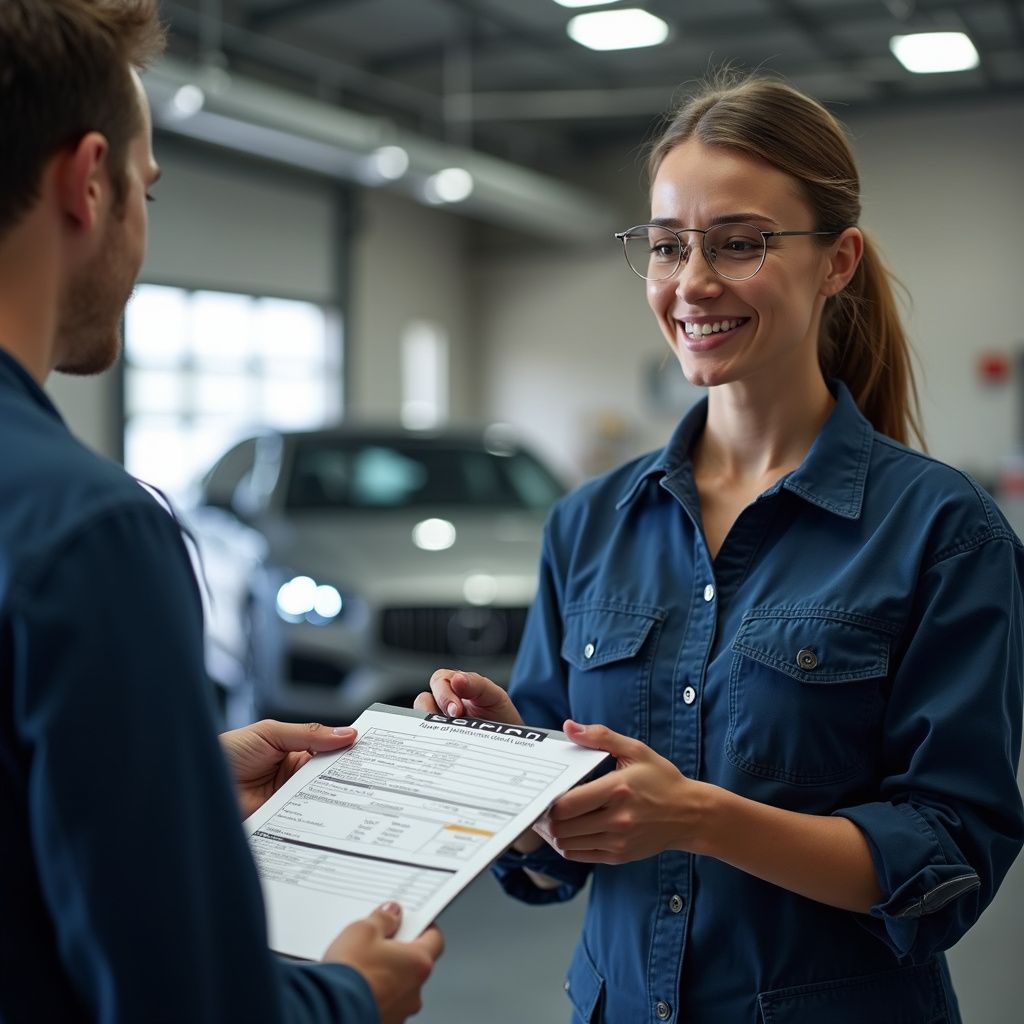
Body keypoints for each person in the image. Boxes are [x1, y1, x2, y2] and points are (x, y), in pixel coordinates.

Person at [417, 73, 1024, 1023]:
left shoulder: (941, 534)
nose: (692, 282)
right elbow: (550, 853)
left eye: (740, 244)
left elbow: (947, 857)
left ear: (838, 262)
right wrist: (508, 765)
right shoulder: (588, 525)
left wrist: (703, 817)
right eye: (666, 247)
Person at [0, 2, 441, 1022]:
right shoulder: (89, 530)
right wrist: (347, 996)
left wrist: (172, 777)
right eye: (146, 192)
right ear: (88, 180)